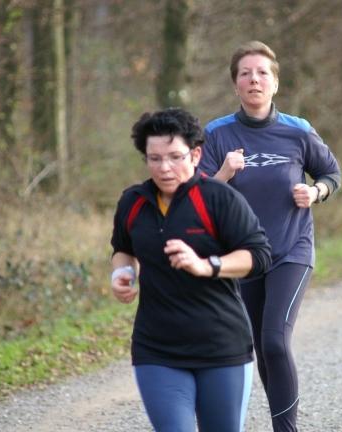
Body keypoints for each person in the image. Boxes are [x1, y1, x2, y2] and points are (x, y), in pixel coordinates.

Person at [199, 41, 341, 432]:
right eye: (245, 73)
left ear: (275, 83)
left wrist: (315, 192)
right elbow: (197, 197)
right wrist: (225, 174)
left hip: (291, 250)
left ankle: (286, 429)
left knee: (275, 340)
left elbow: (332, 174)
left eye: (262, 72)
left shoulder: (298, 131)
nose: (254, 79)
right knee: (256, 347)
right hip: (243, 256)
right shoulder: (217, 135)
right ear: (235, 85)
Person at [110, 107, 272, 432]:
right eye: (154, 158)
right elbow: (123, 250)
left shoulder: (220, 198)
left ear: (196, 154)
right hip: (157, 348)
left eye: (174, 156)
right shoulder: (133, 202)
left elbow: (259, 255)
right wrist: (121, 274)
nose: (164, 167)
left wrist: (206, 265)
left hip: (221, 347)